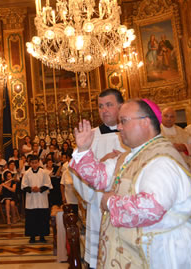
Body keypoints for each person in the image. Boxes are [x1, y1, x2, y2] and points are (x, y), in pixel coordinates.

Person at [71, 99, 191, 269]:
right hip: (139, 248)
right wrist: (83, 150)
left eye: (124, 121)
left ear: (145, 122)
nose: (119, 127)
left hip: (160, 252)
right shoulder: (131, 155)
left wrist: (110, 203)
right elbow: (99, 177)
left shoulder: (162, 159)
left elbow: (152, 207)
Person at [70, 88, 126, 269]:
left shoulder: (132, 132)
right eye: (101, 106)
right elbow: (75, 168)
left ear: (121, 106)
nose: (104, 110)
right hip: (99, 207)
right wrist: (98, 165)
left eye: (109, 105)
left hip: (128, 205)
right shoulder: (89, 136)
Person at [21, 155, 52, 243]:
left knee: (42, 218)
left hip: (42, 199)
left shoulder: (44, 172)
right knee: (31, 219)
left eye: (36, 163)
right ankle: (32, 237)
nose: (34, 165)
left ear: (38, 162)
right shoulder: (27, 173)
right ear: (30, 163)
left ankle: (42, 236)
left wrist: (40, 189)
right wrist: (31, 189)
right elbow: (23, 185)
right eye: (32, 163)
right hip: (31, 200)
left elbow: (48, 184)